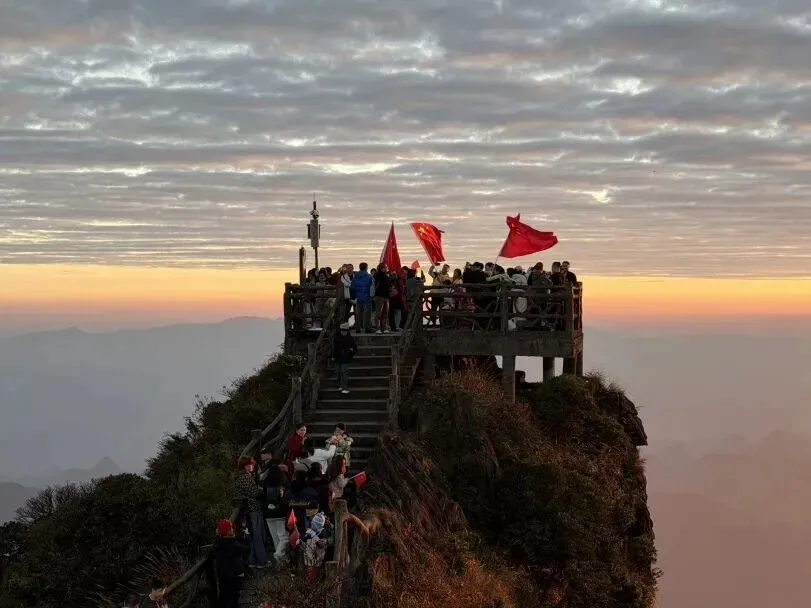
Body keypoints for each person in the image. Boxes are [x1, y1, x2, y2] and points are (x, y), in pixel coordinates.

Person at [233, 456, 269, 568]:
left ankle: (253, 560)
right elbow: (254, 493)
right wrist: (264, 490)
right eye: (250, 464)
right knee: (257, 535)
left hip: (250, 509)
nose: (252, 466)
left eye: (253, 464)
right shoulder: (244, 478)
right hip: (252, 509)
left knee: (254, 536)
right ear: (244, 465)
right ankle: (262, 561)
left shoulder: (246, 477)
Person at [212, 519, 247, 608]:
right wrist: (245, 538)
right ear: (227, 532)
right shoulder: (233, 544)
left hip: (223, 575)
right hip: (234, 575)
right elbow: (244, 549)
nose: (233, 530)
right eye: (231, 529)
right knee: (234, 597)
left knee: (225, 596)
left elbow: (214, 552)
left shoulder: (219, 544)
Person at [262, 460, 290, 564]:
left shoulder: (265, 485)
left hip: (268, 514)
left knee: (275, 538)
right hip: (280, 513)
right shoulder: (283, 484)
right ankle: (279, 555)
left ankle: (280, 561)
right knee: (283, 537)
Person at [333, 323, 357, 394]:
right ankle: (341, 385)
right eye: (342, 330)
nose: (344, 332)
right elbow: (333, 348)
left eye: (345, 330)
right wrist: (333, 356)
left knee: (344, 372)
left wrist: (351, 351)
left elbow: (355, 349)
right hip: (338, 357)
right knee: (338, 373)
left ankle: (345, 387)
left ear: (347, 331)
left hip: (346, 357)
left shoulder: (350, 338)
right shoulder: (336, 338)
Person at [350, 262, 374, 333]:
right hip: (367, 297)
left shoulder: (355, 276)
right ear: (366, 268)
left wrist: (354, 296)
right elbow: (372, 288)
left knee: (358, 314)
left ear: (359, 267)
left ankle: (358, 328)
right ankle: (367, 328)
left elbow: (352, 287)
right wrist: (372, 296)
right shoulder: (369, 276)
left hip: (359, 297)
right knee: (367, 314)